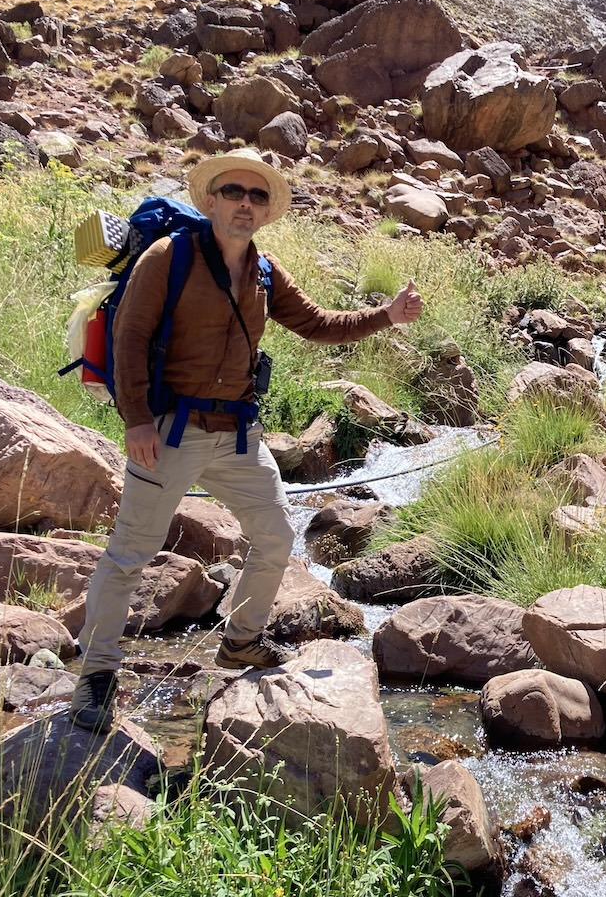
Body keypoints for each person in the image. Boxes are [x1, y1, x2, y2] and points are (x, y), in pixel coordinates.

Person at [70, 148, 423, 733]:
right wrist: (135, 420)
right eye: (234, 191)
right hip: (169, 433)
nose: (245, 203)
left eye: (257, 196)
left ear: (266, 211)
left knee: (278, 536)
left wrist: (387, 315)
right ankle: (97, 672)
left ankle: (240, 642)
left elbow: (316, 324)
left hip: (238, 436)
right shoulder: (169, 257)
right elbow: (130, 339)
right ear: (211, 200)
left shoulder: (263, 269)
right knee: (130, 553)